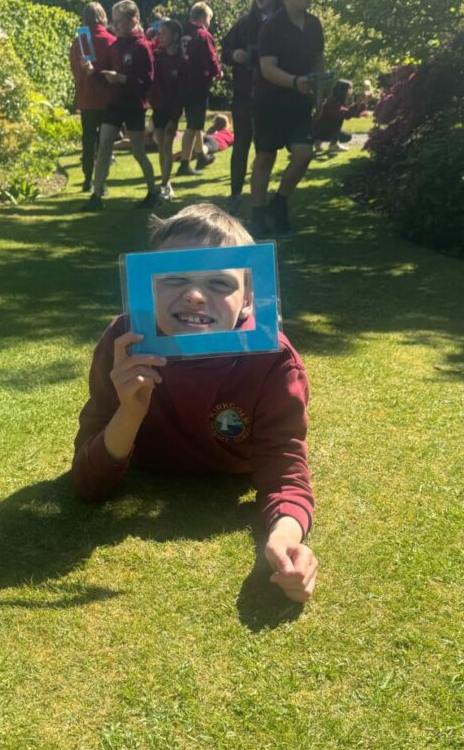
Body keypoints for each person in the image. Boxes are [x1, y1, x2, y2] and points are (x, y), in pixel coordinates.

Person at [71, 203, 317, 603]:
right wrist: (130, 410)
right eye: (173, 278)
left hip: (236, 467)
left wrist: (285, 536)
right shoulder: (125, 344)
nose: (195, 296)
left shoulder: (273, 359)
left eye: (219, 283)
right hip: (148, 465)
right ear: (147, 286)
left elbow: (285, 467)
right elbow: (87, 484)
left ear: (249, 299)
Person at [250, 0, 325, 238]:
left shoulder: (314, 24)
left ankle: (278, 204)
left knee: (304, 154)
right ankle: (257, 214)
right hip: (268, 103)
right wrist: (295, 82)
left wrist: (319, 97)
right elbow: (267, 69)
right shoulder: (271, 27)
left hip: (299, 103)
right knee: (265, 158)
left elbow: (318, 62)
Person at [84, 0, 161, 212]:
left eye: (119, 21)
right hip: (114, 105)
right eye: (113, 21)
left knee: (138, 151)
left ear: (133, 20)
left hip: (134, 106)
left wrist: (122, 79)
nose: (114, 25)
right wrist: (93, 73)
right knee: (104, 147)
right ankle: (96, 196)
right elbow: (105, 78)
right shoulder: (114, 46)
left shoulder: (142, 47)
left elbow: (147, 82)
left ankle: (153, 192)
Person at [221, 0, 279, 214]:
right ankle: (235, 194)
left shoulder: (283, 23)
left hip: (273, 96)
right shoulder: (246, 23)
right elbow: (225, 48)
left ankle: (260, 197)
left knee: (266, 148)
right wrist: (234, 54)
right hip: (245, 95)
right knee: (241, 144)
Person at [69, 2, 117, 194]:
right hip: (107, 98)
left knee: (88, 140)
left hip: (87, 97)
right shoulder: (111, 40)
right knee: (105, 142)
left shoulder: (80, 41)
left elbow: (76, 71)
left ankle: (87, 179)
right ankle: (101, 182)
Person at [176, 2, 221, 176]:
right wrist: (217, 71)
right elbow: (210, 57)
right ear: (204, 17)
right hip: (197, 84)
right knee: (192, 125)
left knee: (196, 122)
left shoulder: (183, 34)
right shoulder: (203, 35)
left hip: (183, 83)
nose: (209, 23)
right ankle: (184, 163)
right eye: (209, 19)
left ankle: (201, 155)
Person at [149, 18, 190, 201]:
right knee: (161, 148)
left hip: (172, 110)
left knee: (167, 147)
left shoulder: (182, 62)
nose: (161, 37)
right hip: (158, 109)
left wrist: (175, 118)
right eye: (159, 34)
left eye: (164, 34)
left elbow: (182, 93)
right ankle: (166, 182)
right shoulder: (158, 58)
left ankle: (164, 184)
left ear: (175, 36)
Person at [311, 79, 368, 155]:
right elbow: (345, 115)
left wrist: (363, 102)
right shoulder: (333, 102)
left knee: (347, 137)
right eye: (350, 88)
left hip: (320, 129)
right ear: (343, 90)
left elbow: (350, 113)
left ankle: (318, 141)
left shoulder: (337, 100)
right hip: (318, 130)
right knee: (336, 121)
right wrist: (359, 102)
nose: (351, 91)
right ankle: (333, 144)